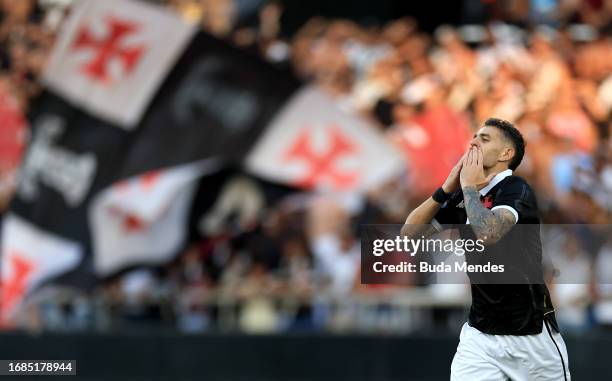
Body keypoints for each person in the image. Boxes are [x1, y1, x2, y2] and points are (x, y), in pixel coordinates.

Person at [401, 118, 570, 380]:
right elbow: (408, 235)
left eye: (485, 138)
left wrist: (468, 187)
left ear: (506, 153)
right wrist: (447, 188)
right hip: (481, 335)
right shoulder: (462, 197)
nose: (473, 142)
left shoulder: (516, 189)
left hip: (531, 335)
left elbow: (489, 232)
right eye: (475, 136)